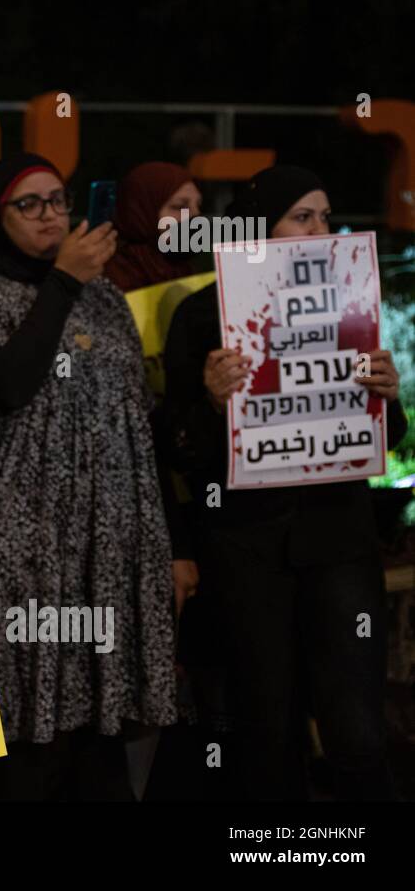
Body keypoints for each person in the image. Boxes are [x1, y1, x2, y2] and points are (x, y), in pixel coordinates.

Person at [0, 153, 178, 800]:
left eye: (57, 201)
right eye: (28, 204)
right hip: (28, 541)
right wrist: (62, 282)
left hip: (108, 541)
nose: (48, 215)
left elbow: (136, 416)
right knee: (36, 732)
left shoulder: (108, 298)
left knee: (103, 730)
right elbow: (6, 385)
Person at [163, 164, 406, 800]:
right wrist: (212, 406)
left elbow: (387, 434)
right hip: (247, 548)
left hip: (339, 541)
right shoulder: (199, 313)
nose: (319, 229)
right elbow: (177, 447)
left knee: (355, 730)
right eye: (303, 216)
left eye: (326, 217)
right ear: (263, 228)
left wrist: (388, 394)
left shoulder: (351, 303)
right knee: (265, 728)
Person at [104, 161, 205, 293]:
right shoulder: (107, 276)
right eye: (179, 207)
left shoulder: (184, 268)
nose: (195, 215)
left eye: (198, 206)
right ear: (141, 212)